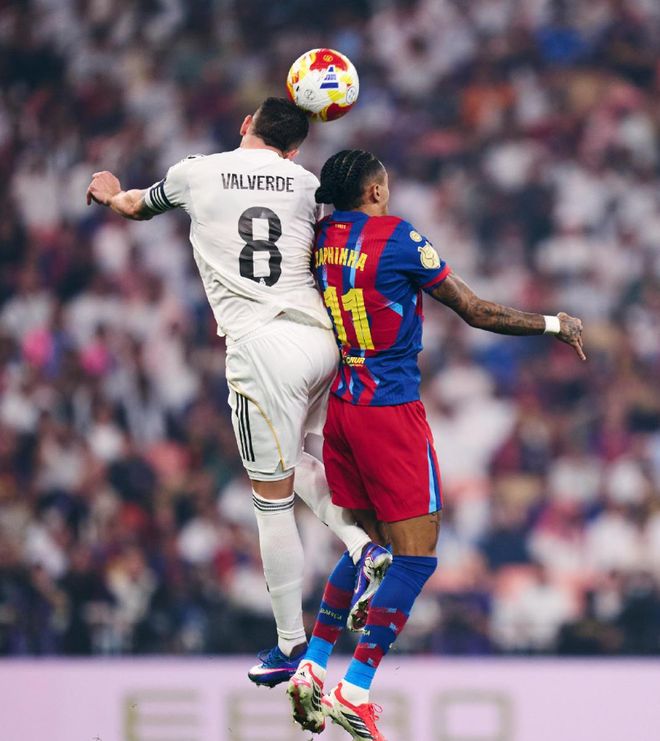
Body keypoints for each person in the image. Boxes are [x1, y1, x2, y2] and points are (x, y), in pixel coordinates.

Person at [85, 101, 391, 687]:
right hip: (320, 340)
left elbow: (134, 207)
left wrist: (109, 192)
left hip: (261, 349)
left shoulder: (194, 172)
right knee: (298, 461)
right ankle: (362, 546)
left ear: (246, 125)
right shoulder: (306, 185)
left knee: (270, 501)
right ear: (294, 149)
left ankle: (290, 644)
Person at [287, 149, 585, 740]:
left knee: (368, 547)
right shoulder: (396, 237)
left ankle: (313, 666)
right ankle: (355, 689)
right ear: (375, 191)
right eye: (387, 183)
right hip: (390, 413)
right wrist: (553, 324)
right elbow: (475, 311)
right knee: (416, 558)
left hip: (342, 408)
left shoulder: (319, 238)